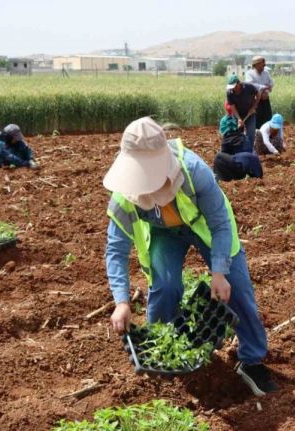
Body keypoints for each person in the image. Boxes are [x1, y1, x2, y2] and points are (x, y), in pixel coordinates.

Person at [104, 117, 277, 395]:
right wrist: (121, 301)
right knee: (165, 286)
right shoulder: (125, 194)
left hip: (204, 226)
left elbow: (220, 223)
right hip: (163, 233)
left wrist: (219, 273)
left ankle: (251, 361)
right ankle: (164, 351)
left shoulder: (193, 170)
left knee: (237, 287)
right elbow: (116, 248)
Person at [226, 74, 261, 152]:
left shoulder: (249, 87)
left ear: (238, 83)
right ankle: (237, 151)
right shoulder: (229, 93)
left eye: (234, 86)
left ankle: (249, 152)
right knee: (236, 133)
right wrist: (238, 119)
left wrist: (254, 107)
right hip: (238, 113)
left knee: (251, 133)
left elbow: (258, 94)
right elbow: (232, 107)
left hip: (250, 113)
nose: (233, 89)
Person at [245, 56, 274, 129]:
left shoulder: (266, 73)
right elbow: (250, 85)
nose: (264, 65)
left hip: (265, 99)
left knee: (268, 118)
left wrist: (265, 91)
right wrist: (263, 87)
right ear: (256, 64)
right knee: (258, 119)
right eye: (262, 64)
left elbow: (271, 84)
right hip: (256, 101)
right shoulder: (249, 73)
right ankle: (258, 137)